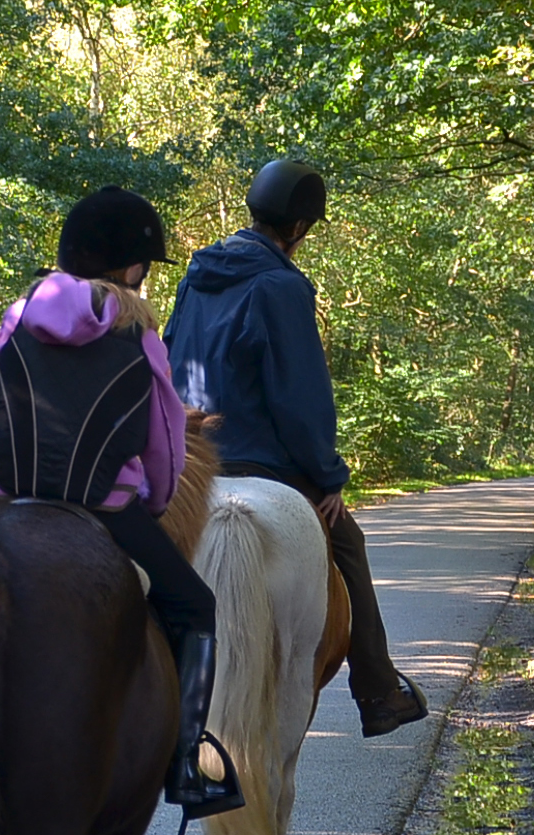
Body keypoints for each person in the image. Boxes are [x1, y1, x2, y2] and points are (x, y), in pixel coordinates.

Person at [0, 186, 242, 817]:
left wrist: (3, 479)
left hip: (10, 496)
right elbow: (166, 443)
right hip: (107, 506)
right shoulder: (138, 332)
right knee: (195, 606)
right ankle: (185, 763)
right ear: (131, 267)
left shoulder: (17, 316)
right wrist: (155, 501)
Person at [163, 160, 430, 739]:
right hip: (263, 460)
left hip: (188, 461)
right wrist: (328, 475)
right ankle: (379, 689)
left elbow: (167, 356)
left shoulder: (196, 275)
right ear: (301, 226)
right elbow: (298, 395)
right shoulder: (282, 286)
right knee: (348, 544)